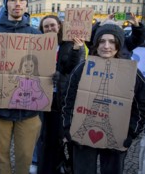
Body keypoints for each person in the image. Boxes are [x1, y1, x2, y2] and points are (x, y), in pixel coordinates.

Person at [62, 23, 145, 174]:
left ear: (119, 44)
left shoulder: (132, 74)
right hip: (83, 133)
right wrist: (68, 125)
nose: (106, 46)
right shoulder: (82, 68)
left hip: (117, 135)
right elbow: (68, 99)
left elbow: (143, 106)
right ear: (96, 44)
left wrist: (130, 133)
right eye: (102, 41)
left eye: (112, 41)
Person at [0, 0, 42, 174]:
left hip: (29, 111)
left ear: (26, 5)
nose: (18, 3)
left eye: (22, 0)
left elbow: (43, 70)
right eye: (13, 0)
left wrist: (50, 77)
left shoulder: (37, 35)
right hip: (1, 110)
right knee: (2, 156)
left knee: (25, 156)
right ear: (6, 4)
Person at [35, 15, 86, 174]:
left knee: (60, 137)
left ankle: (63, 167)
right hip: (43, 98)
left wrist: (77, 50)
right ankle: (46, 167)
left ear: (59, 26)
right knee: (45, 137)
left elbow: (74, 69)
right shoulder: (39, 46)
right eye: (46, 27)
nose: (49, 29)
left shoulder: (71, 45)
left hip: (61, 99)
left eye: (52, 25)